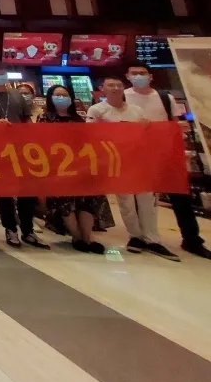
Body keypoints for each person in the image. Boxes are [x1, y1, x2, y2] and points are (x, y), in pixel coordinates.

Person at [86, 75, 178, 261]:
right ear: (102, 88)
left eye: (118, 85)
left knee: (147, 201)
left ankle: (152, 238)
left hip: (139, 161)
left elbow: (146, 134)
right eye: (110, 85)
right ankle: (135, 236)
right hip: (116, 162)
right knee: (126, 201)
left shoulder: (136, 110)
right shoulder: (97, 110)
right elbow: (90, 134)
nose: (115, 88)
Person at [124, 64, 211, 259]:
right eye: (134, 73)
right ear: (127, 76)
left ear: (150, 76)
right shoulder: (124, 97)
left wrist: (181, 140)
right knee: (138, 199)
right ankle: (140, 236)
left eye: (142, 73)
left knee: (181, 197)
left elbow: (175, 123)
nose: (138, 76)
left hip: (166, 154)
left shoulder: (165, 97)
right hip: (136, 155)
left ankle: (192, 239)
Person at [0, 63, 49, 249]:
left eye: (2, 72)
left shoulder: (16, 95)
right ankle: (10, 229)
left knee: (26, 190)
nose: (0, 75)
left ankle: (28, 230)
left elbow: (26, 118)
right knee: (4, 192)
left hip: (21, 148)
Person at [39, 85, 110, 254]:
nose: (61, 98)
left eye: (64, 95)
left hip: (81, 165)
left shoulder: (79, 119)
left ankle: (88, 236)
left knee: (88, 198)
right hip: (58, 167)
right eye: (57, 95)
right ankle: (76, 236)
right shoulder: (45, 119)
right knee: (64, 201)